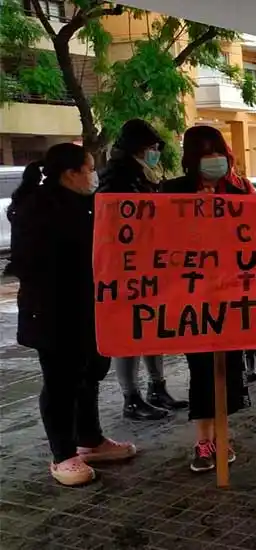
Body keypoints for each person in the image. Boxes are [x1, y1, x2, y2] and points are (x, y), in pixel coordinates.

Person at [11, 143, 137, 486]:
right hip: (51, 314)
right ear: (71, 174)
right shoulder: (38, 208)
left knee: (89, 374)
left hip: (87, 310)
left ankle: (90, 439)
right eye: (89, 168)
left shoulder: (84, 206)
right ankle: (62, 454)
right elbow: (39, 264)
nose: (93, 175)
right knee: (61, 381)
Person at [162, 125, 253, 472]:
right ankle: (204, 441)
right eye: (205, 153)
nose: (213, 159)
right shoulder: (172, 191)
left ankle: (224, 439)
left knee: (228, 368)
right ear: (191, 158)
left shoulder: (240, 190)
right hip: (191, 298)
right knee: (200, 369)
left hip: (231, 295)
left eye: (217, 151)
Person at [98, 118, 186, 420]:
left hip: (147, 265)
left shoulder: (140, 173)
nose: (154, 153)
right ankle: (131, 397)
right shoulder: (119, 177)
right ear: (138, 148)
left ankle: (155, 387)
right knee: (130, 333)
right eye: (150, 147)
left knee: (150, 329)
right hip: (128, 269)